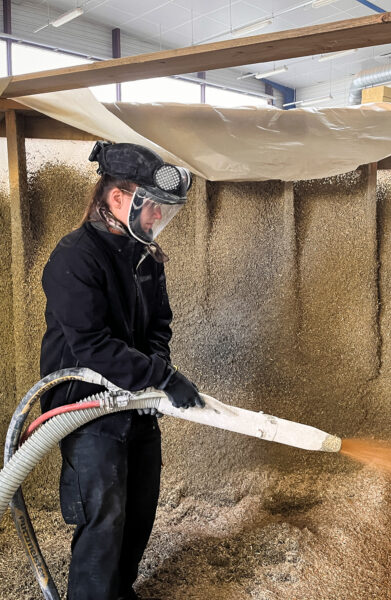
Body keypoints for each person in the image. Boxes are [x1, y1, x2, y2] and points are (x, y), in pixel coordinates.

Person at [39, 141, 204, 600]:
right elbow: (91, 345)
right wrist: (163, 378)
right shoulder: (74, 256)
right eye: (153, 207)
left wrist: (157, 370)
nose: (158, 217)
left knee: (139, 510)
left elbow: (159, 325)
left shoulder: (145, 256)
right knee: (105, 519)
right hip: (85, 408)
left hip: (136, 402)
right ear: (117, 198)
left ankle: (119, 592)